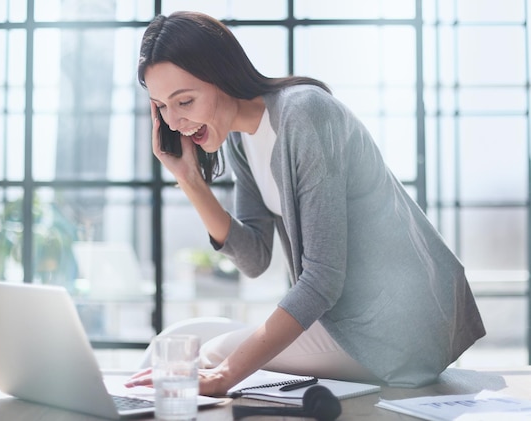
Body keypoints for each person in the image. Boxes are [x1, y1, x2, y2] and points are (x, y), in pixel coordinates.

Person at [125, 11, 485, 396]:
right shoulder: (241, 140)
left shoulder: (304, 113)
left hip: (397, 327)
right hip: (341, 323)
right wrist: (190, 180)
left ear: (222, 75)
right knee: (180, 338)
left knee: (208, 356)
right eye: (161, 106)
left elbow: (322, 281)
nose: (175, 122)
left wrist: (225, 375)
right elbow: (254, 259)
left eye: (185, 101)